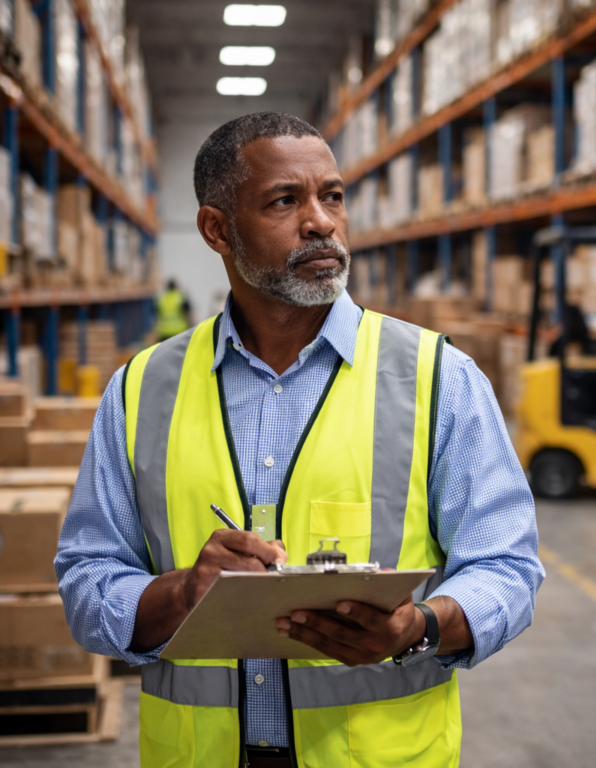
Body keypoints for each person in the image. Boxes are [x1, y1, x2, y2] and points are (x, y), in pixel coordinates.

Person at [56, 112, 544, 768]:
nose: (320, 221)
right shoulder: (142, 391)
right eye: (285, 201)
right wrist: (181, 594)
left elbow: (507, 567)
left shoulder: (435, 377)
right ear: (216, 229)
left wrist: (418, 628)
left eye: (332, 196)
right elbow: (87, 579)